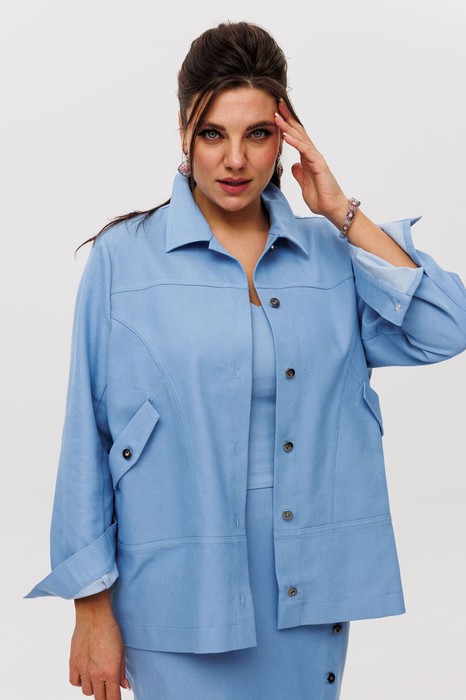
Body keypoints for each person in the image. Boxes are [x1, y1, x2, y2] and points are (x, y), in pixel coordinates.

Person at [25, 20, 466, 700]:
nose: (235, 160)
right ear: (184, 133)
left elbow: (446, 326)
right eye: (213, 134)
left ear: (285, 137)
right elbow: (88, 434)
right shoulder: (123, 261)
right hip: (174, 587)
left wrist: (340, 211)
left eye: (257, 134)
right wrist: (90, 606)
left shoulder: (331, 257)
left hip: (308, 589)